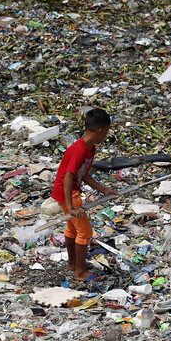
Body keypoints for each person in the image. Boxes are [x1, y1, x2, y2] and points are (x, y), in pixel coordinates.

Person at [51, 108, 116, 282]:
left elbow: (84, 174)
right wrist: (71, 207)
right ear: (101, 130)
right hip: (67, 193)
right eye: (107, 131)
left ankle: (73, 263)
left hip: (69, 192)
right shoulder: (79, 150)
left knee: (73, 228)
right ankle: (79, 272)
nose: (106, 135)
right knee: (85, 231)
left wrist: (104, 190)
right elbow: (67, 178)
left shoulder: (90, 148)